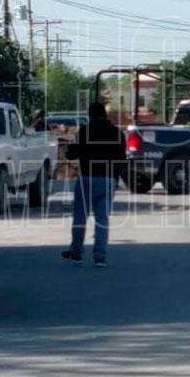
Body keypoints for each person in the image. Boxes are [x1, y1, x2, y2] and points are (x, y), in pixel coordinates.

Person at [62, 102, 126, 268]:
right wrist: (116, 180)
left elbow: (71, 154)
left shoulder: (85, 132)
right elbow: (121, 160)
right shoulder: (117, 133)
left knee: (80, 217)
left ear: (90, 115)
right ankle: (100, 257)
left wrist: (69, 149)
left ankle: (76, 253)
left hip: (87, 178)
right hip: (108, 179)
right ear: (105, 115)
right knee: (102, 219)